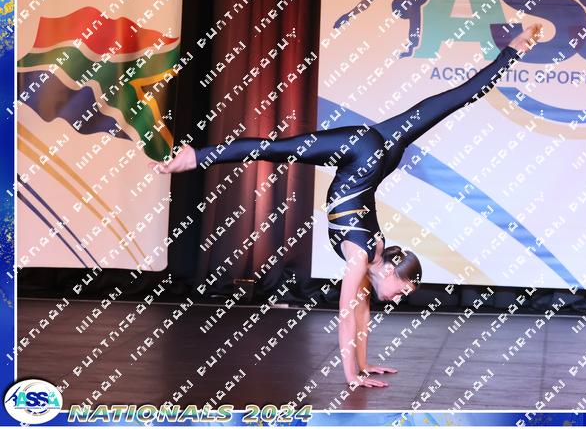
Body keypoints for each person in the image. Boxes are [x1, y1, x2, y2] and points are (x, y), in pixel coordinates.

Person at [150, 23, 543, 388]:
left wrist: (366, 363)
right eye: (402, 290)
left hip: (382, 152)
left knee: (453, 100)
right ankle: (194, 157)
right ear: (388, 269)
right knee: (279, 149)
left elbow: (360, 315)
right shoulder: (360, 257)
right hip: (361, 152)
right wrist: (353, 375)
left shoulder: (372, 258)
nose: (400, 298)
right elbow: (343, 317)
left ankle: (512, 51)